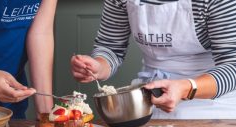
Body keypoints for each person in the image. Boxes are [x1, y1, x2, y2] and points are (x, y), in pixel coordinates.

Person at [71, 0, 236, 119]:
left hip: (213, 103)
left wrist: (186, 87)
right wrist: (98, 66)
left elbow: (232, 66)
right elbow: (111, 47)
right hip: (148, 100)